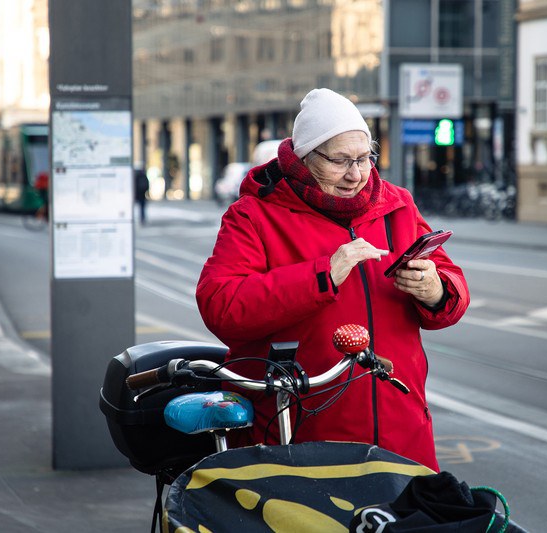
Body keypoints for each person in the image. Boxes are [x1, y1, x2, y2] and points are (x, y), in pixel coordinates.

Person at [195, 88, 470, 471]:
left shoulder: (398, 205)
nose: (356, 175)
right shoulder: (254, 215)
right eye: (340, 161)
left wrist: (436, 290)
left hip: (401, 431)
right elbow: (221, 306)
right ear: (305, 158)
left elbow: (451, 293)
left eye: (364, 159)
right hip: (298, 435)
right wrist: (324, 274)